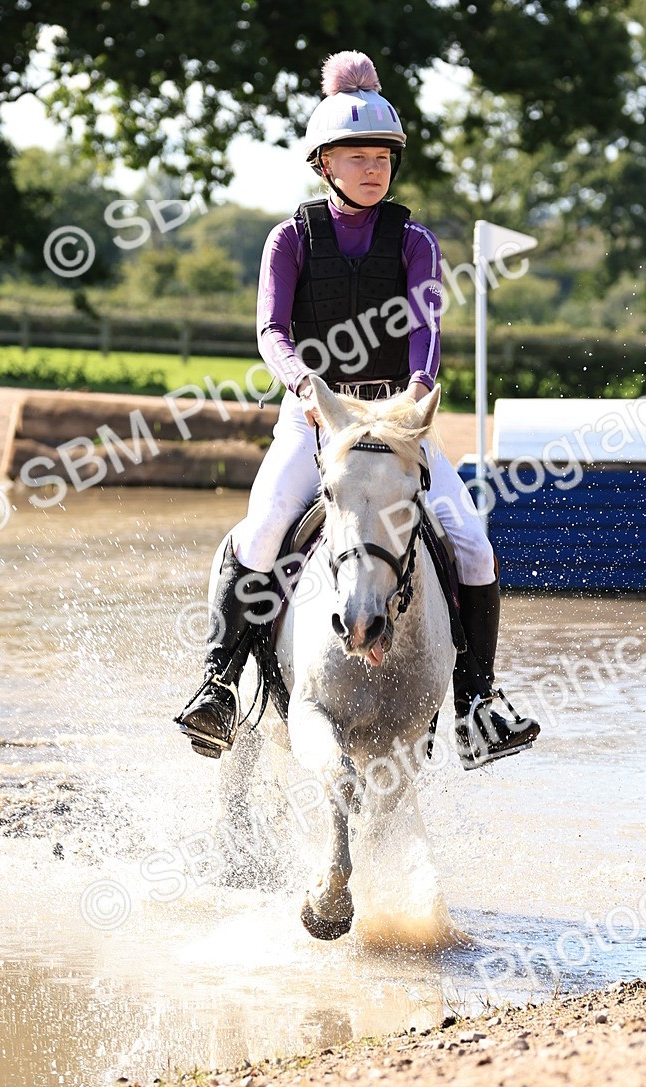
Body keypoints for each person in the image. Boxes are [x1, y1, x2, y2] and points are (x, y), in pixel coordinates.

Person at [175, 50, 540, 767]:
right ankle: (218, 686)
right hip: (314, 419)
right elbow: (272, 330)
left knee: (472, 544)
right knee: (262, 532)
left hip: (396, 425)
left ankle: (478, 701)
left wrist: (413, 399)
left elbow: (426, 334)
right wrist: (305, 387)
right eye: (357, 156)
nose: (373, 168)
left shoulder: (414, 243)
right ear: (325, 163)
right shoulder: (288, 240)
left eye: (382, 157)